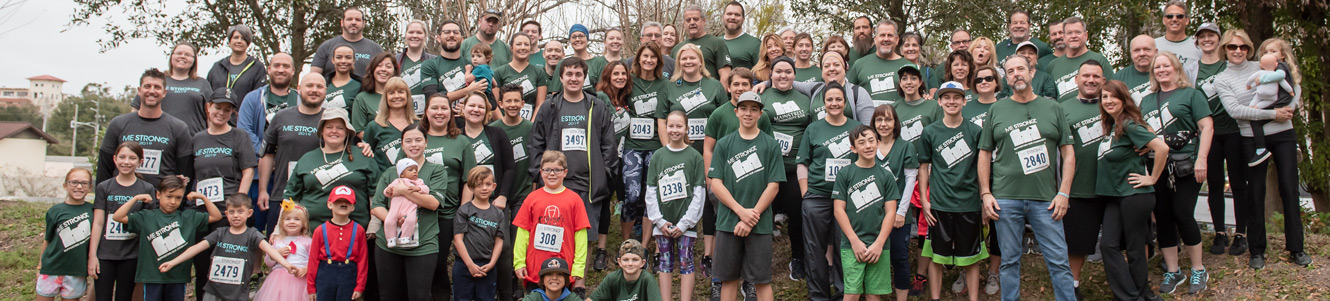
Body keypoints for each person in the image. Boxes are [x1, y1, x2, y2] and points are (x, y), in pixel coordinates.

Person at [977, 55, 1076, 301]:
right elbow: (984, 153)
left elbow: (1068, 152)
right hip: (1006, 199)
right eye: (1010, 71)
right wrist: (986, 193)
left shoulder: (1053, 108)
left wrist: (1064, 192)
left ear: (1032, 72)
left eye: (1021, 68)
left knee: (1059, 261)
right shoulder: (997, 109)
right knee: (1009, 261)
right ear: (1006, 78)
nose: (1016, 74)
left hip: (1047, 200)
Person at [1214, 30, 1308, 270]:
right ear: (1224, 49)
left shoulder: (1266, 62)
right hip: (1251, 139)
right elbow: (1236, 111)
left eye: (1243, 47)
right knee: (1255, 193)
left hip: (1284, 135)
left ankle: (1297, 247)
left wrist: (1291, 106)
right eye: (1232, 46)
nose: (1237, 51)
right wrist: (1273, 113)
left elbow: (1294, 84)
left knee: (1289, 189)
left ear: (1249, 48)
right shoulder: (1222, 79)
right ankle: (1257, 250)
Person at [1142, 51, 1214, 295]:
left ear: (1175, 68)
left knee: (1183, 213)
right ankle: (1173, 270)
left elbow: (1206, 126)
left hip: (1187, 164)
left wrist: (1202, 159)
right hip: (1158, 165)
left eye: (1166, 66)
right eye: (1157, 67)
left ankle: (1198, 268)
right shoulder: (1147, 100)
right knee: (1162, 216)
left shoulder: (1191, 95)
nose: (1162, 70)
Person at [1095, 80, 1169, 301]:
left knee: (1136, 249)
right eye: (1104, 97)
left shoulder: (1128, 123)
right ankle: (1131, 295)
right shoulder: (1113, 125)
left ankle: (1139, 294)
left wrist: (1152, 178)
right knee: (1108, 244)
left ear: (1123, 99)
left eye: (1112, 96)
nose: (1108, 101)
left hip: (1135, 195)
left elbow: (1162, 147)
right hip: (1116, 196)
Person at [708, 92, 784, 301]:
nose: (748, 113)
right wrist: (741, 212)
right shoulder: (724, 144)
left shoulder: (770, 144)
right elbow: (716, 183)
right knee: (729, 280)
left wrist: (752, 216)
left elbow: (774, 185)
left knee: (762, 281)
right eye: (743, 108)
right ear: (736, 112)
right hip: (728, 222)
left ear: (761, 114)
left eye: (753, 109)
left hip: (759, 224)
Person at [155, 195, 300, 301]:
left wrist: (287, 265)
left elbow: (270, 250)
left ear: (249, 213)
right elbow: (197, 248)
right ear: (227, 214)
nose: (235, 216)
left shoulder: (252, 235)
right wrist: (173, 262)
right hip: (213, 291)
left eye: (240, 212)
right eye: (232, 212)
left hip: (237, 293)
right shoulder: (219, 233)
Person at [918, 82, 988, 301]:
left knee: (972, 258)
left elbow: (982, 167)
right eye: (946, 97)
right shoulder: (930, 132)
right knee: (937, 257)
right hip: (939, 204)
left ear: (964, 101)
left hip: (969, 204)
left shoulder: (976, 131)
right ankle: (936, 298)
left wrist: (984, 201)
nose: (951, 101)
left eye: (956, 97)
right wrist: (925, 201)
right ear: (939, 102)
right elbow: (923, 168)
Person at [189, 89, 258, 298]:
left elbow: (248, 171)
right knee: (202, 268)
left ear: (233, 113)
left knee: (227, 268)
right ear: (208, 107)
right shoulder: (197, 139)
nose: (221, 113)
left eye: (227, 110)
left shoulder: (239, 136)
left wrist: (237, 206)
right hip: (202, 214)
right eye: (218, 107)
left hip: (227, 214)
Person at [795, 81, 861, 301]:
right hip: (817, 197)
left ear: (845, 102)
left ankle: (845, 295)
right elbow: (803, 162)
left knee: (846, 248)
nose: (834, 103)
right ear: (823, 104)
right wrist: (805, 193)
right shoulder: (813, 129)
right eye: (829, 100)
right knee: (814, 250)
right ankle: (819, 296)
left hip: (848, 200)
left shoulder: (856, 128)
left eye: (838, 99)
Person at [112, 177, 223, 301]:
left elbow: (216, 216)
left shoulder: (189, 217)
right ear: (158, 195)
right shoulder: (146, 216)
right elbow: (118, 217)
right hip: (152, 276)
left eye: (178, 198)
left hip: (178, 276)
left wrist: (203, 198)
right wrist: (135, 199)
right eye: (169, 196)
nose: (173, 201)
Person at [1190, 23, 1246, 256]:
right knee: (1213, 183)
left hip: (1233, 131)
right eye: (1202, 36)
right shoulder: (1192, 69)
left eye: (1211, 36)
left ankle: (1241, 234)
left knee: (1238, 183)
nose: (1207, 39)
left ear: (1219, 40)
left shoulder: (1229, 66)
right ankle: (1220, 233)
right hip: (1208, 134)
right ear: (1197, 42)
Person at [756, 56, 811, 281]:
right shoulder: (761, 94)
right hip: (764, 168)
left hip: (793, 169)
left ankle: (798, 257)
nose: (783, 75)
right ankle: (756, 263)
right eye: (778, 71)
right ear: (771, 74)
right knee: (759, 214)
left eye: (788, 71)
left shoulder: (806, 97)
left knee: (798, 213)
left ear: (794, 75)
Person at [1059, 59, 1109, 297]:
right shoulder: (1062, 108)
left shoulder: (1114, 104)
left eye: (1096, 76)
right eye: (1086, 76)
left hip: (1114, 187)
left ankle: (1126, 283)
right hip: (1078, 186)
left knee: (1116, 243)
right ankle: (1073, 286)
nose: (1091, 80)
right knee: (1077, 244)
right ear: (1076, 80)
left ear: (1103, 81)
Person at [833, 124, 900, 301]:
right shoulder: (845, 174)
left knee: (873, 294)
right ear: (853, 148)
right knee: (852, 293)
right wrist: (854, 241)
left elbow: (891, 212)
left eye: (871, 140)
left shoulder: (886, 176)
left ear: (878, 142)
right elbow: (839, 209)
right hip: (851, 245)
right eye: (862, 143)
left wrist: (879, 243)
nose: (868, 146)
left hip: (879, 245)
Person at [285, 106, 381, 228]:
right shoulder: (307, 159)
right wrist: (279, 229)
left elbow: (376, 195)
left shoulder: (363, 155)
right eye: (329, 127)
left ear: (347, 132)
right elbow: (290, 197)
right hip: (312, 234)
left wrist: (374, 224)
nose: (334, 131)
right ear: (322, 131)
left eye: (340, 128)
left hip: (355, 234)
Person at [97, 68, 194, 187]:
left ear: (164, 93)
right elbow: (104, 167)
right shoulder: (118, 124)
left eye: (157, 87)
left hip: (160, 201)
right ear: (139, 90)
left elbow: (185, 173)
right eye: (147, 86)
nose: (152, 91)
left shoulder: (179, 128)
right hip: (122, 201)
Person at [645, 111, 706, 301]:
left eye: (679, 126)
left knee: (686, 262)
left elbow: (699, 193)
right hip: (662, 223)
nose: (674, 130)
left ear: (687, 128)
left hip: (685, 224)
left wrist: (685, 223)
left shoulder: (695, 156)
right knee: (664, 262)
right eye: (670, 126)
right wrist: (659, 220)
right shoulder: (658, 156)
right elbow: (650, 191)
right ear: (665, 127)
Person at [513, 151, 592, 294]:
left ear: (565, 172)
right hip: (535, 270)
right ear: (541, 172)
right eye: (547, 170)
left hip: (563, 270)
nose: (552, 174)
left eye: (557, 170)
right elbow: (522, 233)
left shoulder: (575, 200)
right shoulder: (531, 198)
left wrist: (578, 266)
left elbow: (580, 236)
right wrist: (519, 262)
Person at [257, 73, 328, 234]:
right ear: (299, 88)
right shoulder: (281, 117)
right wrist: (263, 190)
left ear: (325, 90)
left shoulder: (331, 119)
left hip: (317, 197)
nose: (314, 90)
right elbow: (267, 155)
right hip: (282, 195)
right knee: (279, 247)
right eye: (309, 85)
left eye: (319, 86)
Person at [419, 94, 473, 300]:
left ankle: (442, 295)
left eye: (444, 108)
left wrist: (463, 211)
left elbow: (469, 179)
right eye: (435, 108)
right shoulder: (418, 136)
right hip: (418, 212)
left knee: (439, 260)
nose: (440, 112)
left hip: (448, 213)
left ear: (451, 112)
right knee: (423, 261)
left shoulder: (460, 141)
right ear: (426, 111)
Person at [89, 142, 158, 301]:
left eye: (132, 158)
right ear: (115, 159)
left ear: (141, 161)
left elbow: (148, 224)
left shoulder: (146, 188)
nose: (126, 162)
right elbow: (98, 223)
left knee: (124, 297)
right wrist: (92, 255)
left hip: (131, 255)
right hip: (105, 255)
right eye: (122, 157)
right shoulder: (104, 187)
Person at [598, 60, 652, 248]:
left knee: (629, 197)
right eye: (616, 74)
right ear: (608, 76)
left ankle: (630, 240)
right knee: (603, 201)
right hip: (602, 158)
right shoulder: (600, 98)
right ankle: (601, 248)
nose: (620, 77)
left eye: (623, 74)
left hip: (622, 156)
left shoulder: (626, 99)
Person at [868, 104, 918, 300]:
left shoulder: (906, 147)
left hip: (898, 215)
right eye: (879, 120)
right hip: (872, 215)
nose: (883, 124)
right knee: (874, 258)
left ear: (895, 123)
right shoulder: (868, 146)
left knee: (900, 258)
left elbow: (910, 180)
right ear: (873, 123)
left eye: (888, 119)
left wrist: (901, 212)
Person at [491, 84, 535, 299]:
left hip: (523, 193)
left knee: (519, 241)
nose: (512, 105)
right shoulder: (495, 128)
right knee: (502, 242)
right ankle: (503, 284)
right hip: (499, 195)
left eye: (516, 101)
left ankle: (518, 283)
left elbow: (536, 159)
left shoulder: (530, 127)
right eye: (508, 101)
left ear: (523, 104)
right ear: (500, 104)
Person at [36, 168, 95, 301]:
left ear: (90, 187)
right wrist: (40, 266)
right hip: (51, 269)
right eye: (74, 182)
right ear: (65, 185)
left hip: (76, 271)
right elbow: (48, 240)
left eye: (84, 183)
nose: (79, 187)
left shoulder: (93, 210)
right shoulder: (55, 210)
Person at [133, 42, 212, 133]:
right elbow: (136, 108)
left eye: (188, 55)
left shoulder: (203, 84)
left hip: (193, 140)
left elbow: (211, 116)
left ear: (194, 60)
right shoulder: (157, 81)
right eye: (179, 53)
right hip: (159, 137)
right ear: (171, 57)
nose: (182, 56)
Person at [458, 91, 516, 218]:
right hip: (466, 204)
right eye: (472, 105)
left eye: (481, 107)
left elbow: (510, 168)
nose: (476, 110)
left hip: (495, 203)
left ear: (486, 111)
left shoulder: (498, 134)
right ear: (463, 108)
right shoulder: (456, 138)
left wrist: (503, 196)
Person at [453, 167, 507, 301]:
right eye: (479, 185)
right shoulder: (464, 211)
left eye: (488, 184)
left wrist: (492, 263)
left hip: (487, 266)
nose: (484, 188)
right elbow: (458, 240)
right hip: (464, 265)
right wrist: (470, 265)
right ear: (471, 187)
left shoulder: (498, 213)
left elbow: (499, 241)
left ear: (494, 186)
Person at [308, 186, 370, 301]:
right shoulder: (320, 230)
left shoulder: (359, 230)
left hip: (348, 276)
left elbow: (363, 260)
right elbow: (313, 260)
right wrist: (311, 288)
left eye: (347, 201)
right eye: (339, 201)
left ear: (353, 207)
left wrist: (359, 286)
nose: (343, 203)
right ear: (330, 204)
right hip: (325, 275)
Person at [664, 44, 728, 153]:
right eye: (684, 58)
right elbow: (661, 120)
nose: (688, 61)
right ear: (679, 62)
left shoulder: (715, 86)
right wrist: (669, 150)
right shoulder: (670, 87)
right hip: (679, 150)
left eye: (692, 58)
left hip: (711, 150)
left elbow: (725, 119)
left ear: (700, 61)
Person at [253, 202, 313, 301]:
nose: (292, 222)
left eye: (297, 219)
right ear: (282, 222)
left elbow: (314, 260)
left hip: (300, 279)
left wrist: (306, 269)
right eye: (288, 219)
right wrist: (277, 254)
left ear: (304, 223)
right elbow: (268, 262)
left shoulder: (308, 241)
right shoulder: (277, 241)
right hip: (278, 281)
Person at [1244, 52, 1296, 166]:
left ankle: (1261, 149)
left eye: (1273, 51)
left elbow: (1281, 78)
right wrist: (1290, 91)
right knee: (1257, 103)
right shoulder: (1270, 73)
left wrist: (1252, 84)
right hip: (1269, 98)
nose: (1270, 53)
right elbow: (1285, 85)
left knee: (1256, 104)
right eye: (1266, 51)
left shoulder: (1276, 73)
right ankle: (1255, 107)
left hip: (1270, 102)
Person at [1048, 17, 1115, 103]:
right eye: (1069, 33)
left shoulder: (1099, 59)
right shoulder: (1053, 66)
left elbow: (1113, 91)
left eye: (1078, 32)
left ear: (1085, 35)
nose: (1073, 36)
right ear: (1064, 37)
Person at [360, 77, 421, 170]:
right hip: (386, 182)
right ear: (386, 98)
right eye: (391, 93)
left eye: (401, 92)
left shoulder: (420, 124)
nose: (396, 96)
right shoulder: (374, 126)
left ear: (407, 96)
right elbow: (366, 159)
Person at [423, 20, 487, 103]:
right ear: (438, 38)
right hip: (442, 115)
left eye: (456, 32)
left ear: (462, 39)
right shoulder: (430, 65)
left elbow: (490, 101)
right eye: (447, 32)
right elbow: (431, 98)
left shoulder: (473, 65)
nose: (452, 35)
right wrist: (468, 90)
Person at [847, 20, 909, 105]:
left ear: (897, 40)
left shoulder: (909, 66)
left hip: (900, 117)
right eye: (882, 35)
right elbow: (848, 98)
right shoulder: (859, 65)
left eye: (890, 35)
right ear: (875, 39)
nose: (886, 39)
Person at [309, 7, 384, 77]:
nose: (353, 22)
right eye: (349, 19)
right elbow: (314, 76)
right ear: (342, 23)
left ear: (363, 24)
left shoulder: (375, 49)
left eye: (357, 20)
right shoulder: (326, 47)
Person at [207, 25, 267, 109]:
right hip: (218, 117)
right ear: (229, 42)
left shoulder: (257, 67)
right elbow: (208, 94)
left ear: (248, 43)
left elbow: (259, 98)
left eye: (243, 38)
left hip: (244, 118)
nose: (239, 41)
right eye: (236, 37)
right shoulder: (217, 67)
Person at [673, 5, 733, 89]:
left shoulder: (716, 43)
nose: (692, 22)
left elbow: (725, 76)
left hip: (710, 97)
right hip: (682, 98)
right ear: (684, 23)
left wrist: (720, 98)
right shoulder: (677, 49)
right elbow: (673, 77)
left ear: (704, 21)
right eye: (688, 20)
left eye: (696, 19)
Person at [493, 33, 549, 120]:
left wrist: (531, 126)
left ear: (530, 48)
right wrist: (503, 125)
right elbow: (494, 104)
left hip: (530, 125)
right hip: (504, 126)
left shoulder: (539, 72)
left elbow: (540, 104)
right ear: (511, 48)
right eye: (518, 44)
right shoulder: (499, 72)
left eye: (526, 44)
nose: (523, 47)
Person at [587, 239, 663, 301]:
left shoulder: (648, 280)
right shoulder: (612, 278)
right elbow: (591, 299)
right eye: (625, 260)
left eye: (635, 260)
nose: (630, 263)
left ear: (643, 263)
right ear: (619, 262)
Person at [352, 53, 403, 133]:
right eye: (379, 65)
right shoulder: (362, 98)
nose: (383, 69)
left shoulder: (401, 97)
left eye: (388, 66)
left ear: (394, 71)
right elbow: (359, 131)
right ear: (373, 69)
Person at [1154, 0, 1202, 83]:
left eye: (1179, 16)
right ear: (1164, 20)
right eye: (1170, 16)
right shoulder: (1153, 45)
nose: (1174, 19)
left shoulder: (1198, 47)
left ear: (1187, 20)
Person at [383, 159, 426, 248]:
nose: (414, 172)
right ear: (402, 174)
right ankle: (391, 239)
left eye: (416, 170)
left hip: (410, 208)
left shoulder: (419, 182)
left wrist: (418, 189)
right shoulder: (397, 181)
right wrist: (388, 190)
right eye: (410, 170)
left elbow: (426, 189)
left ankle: (405, 237)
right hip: (396, 208)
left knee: (411, 220)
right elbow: (387, 192)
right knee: (389, 221)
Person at [893, 64, 941, 144]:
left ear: (920, 82)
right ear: (900, 83)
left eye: (913, 78)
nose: (909, 82)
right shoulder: (893, 109)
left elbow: (940, 135)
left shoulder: (933, 106)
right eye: (904, 79)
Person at [399, 21, 439, 96]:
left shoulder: (435, 61)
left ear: (425, 36)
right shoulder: (395, 60)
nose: (414, 36)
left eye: (419, 33)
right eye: (411, 32)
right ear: (406, 35)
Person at [1114, 35, 1157, 104]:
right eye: (1137, 50)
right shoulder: (1119, 78)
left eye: (1147, 49)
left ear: (1156, 52)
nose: (1142, 54)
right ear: (1131, 53)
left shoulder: (1166, 73)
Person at [721, 0, 761, 70]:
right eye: (729, 14)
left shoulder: (755, 44)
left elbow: (761, 75)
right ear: (723, 17)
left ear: (743, 19)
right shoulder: (714, 42)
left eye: (737, 15)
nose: (733, 17)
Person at [324, 45, 363, 112]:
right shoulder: (323, 83)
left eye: (348, 57)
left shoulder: (361, 86)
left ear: (353, 60)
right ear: (333, 60)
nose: (343, 61)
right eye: (339, 57)